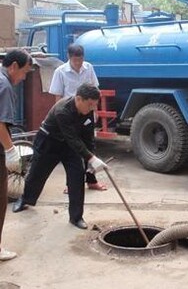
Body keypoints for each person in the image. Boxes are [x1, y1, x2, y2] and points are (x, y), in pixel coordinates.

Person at [12, 83, 108, 230]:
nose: (92, 109)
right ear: (79, 99)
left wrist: (91, 156)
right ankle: (25, 199)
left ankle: (76, 217)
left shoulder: (88, 109)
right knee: (37, 174)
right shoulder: (62, 110)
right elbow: (72, 138)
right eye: (90, 105)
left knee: (77, 177)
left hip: (70, 147)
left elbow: (88, 136)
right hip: (49, 142)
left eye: (95, 105)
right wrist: (91, 158)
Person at [49, 44, 107, 192]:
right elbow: (58, 97)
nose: (78, 63)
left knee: (90, 145)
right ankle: (72, 184)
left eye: (80, 60)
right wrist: (60, 119)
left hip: (87, 114)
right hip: (69, 116)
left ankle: (92, 181)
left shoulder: (89, 68)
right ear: (69, 58)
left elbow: (95, 90)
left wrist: (95, 110)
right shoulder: (60, 72)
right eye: (75, 60)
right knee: (72, 149)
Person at [0, 49, 33, 261]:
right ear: (13, 66)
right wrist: (11, 150)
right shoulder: (4, 86)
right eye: (24, 73)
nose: (23, 78)